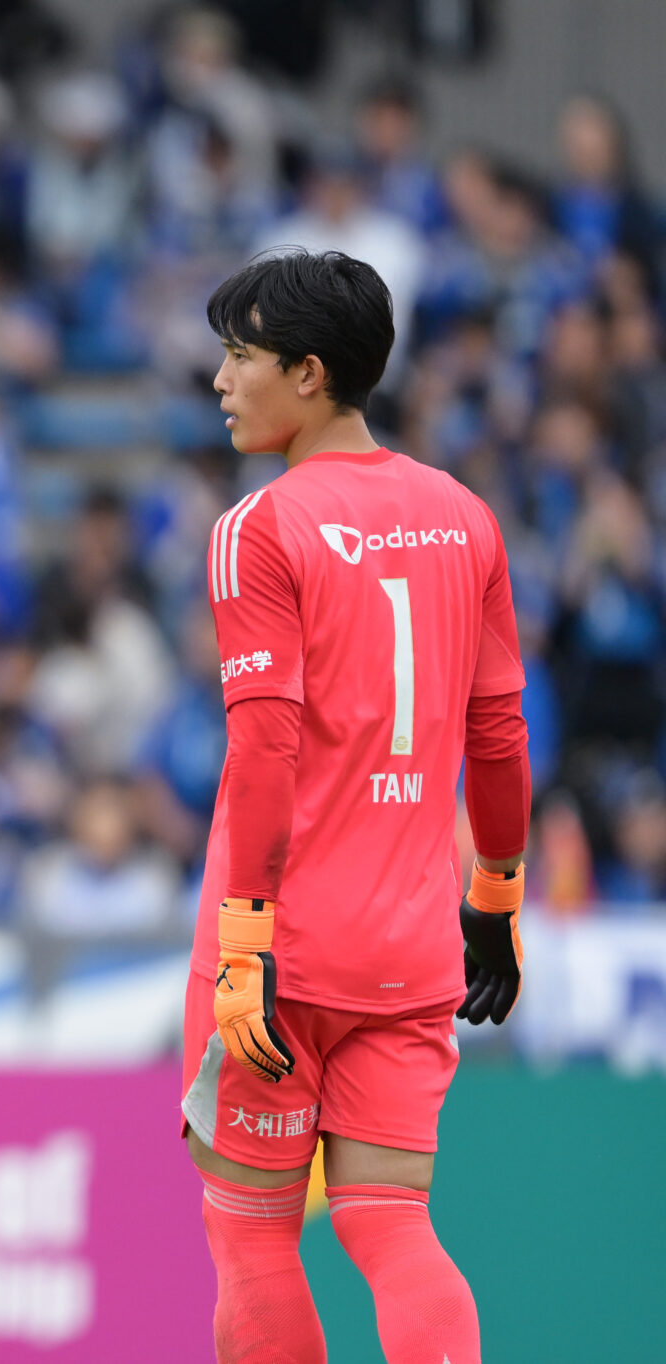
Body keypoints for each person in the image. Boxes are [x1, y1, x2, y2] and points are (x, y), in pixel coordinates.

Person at [179, 249, 531, 1363]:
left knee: (251, 1235)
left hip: (281, 945)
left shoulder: (258, 527)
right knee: (390, 1223)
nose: (221, 380)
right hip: (410, 948)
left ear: (309, 371)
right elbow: (498, 735)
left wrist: (244, 938)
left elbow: (265, 750)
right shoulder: (464, 516)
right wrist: (494, 896)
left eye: (239, 355)